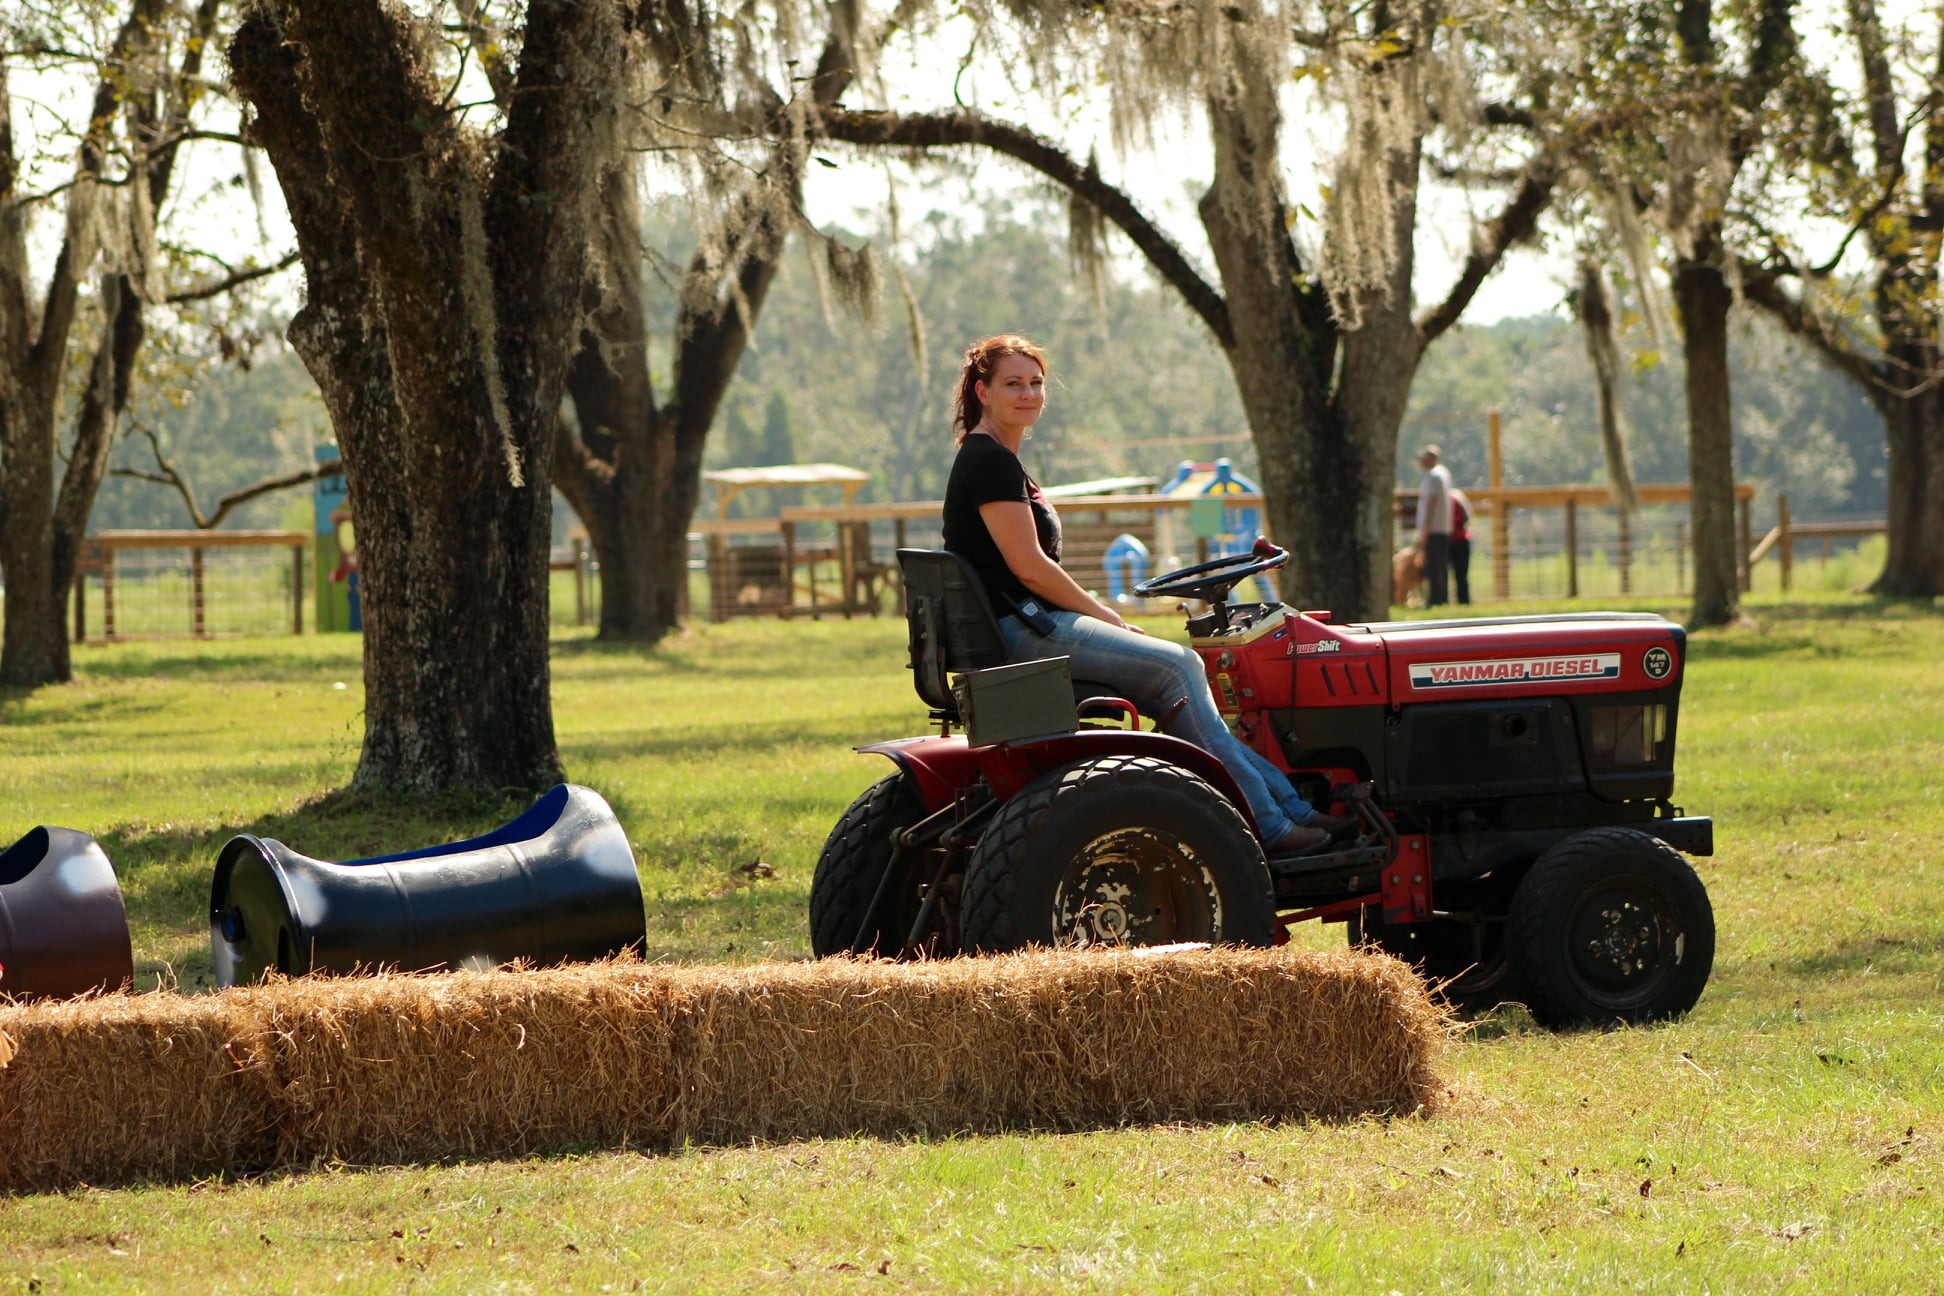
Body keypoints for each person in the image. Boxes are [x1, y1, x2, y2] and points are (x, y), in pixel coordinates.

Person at [940, 334, 1349, 854]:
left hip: (1022, 623)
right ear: (982, 391)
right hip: (1023, 630)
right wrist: (1106, 615)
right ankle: (1272, 826)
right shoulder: (989, 461)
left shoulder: (995, 458)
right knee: (1181, 666)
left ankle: (1291, 808)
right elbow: (1030, 568)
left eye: (1036, 383)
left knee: (1175, 685)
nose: (1029, 394)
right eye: (1012, 384)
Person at [1413, 445, 1453, 606]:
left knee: (1433, 565)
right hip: (1443, 527)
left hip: (1434, 528)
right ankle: (1442, 596)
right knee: (1441, 564)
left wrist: (1425, 529)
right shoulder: (1443, 473)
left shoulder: (1432, 476)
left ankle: (1435, 598)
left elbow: (1431, 502)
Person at [1448, 485, 1472, 606]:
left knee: (1450, 575)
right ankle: (1464, 601)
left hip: (1452, 540)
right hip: (1464, 539)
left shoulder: (1449, 500)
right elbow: (1467, 518)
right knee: (1462, 576)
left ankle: (1452, 601)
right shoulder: (1459, 497)